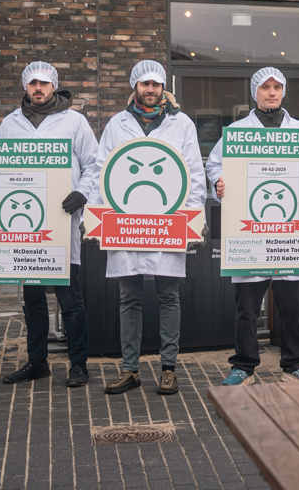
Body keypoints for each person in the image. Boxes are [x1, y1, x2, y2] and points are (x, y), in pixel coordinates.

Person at [210, 66, 299, 386]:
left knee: (292, 307)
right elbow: (214, 166)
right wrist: (218, 184)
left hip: (289, 237)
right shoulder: (236, 132)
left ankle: (295, 364)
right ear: (255, 92)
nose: (272, 92)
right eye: (266, 87)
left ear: (284, 91)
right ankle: (244, 365)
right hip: (252, 237)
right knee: (246, 308)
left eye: (277, 87)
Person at [94, 60, 206, 396]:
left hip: (168, 222)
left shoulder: (181, 124)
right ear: (135, 87)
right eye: (145, 84)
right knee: (128, 297)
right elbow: (102, 172)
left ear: (163, 87)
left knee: (168, 296)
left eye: (156, 84)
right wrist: (97, 218)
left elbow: (194, 172)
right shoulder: (117, 124)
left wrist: (193, 220)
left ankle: (168, 368)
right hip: (125, 222)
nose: (151, 89)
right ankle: (130, 369)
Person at [0, 61, 98, 388]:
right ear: (25, 87)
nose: (38, 89)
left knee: (70, 298)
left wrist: (82, 193)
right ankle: (37, 361)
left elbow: (94, 164)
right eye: (32, 84)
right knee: (33, 299)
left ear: (54, 86)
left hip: (60, 220)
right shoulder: (11, 123)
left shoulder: (75, 121)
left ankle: (79, 363)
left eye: (44, 83)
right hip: (25, 224)